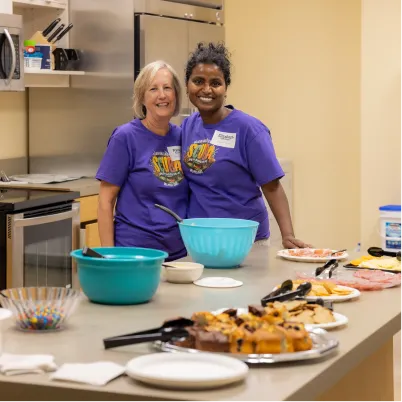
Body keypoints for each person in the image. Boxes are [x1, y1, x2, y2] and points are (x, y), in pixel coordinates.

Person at [181, 42, 310, 249]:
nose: (206, 89)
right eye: (198, 81)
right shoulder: (187, 126)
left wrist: (287, 235)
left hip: (244, 241)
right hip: (200, 239)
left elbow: (272, 186)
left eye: (215, 83)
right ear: (187, 85)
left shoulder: (249, 129)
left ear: (225, 88)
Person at [96, 60, 188, 261]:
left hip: (180, 255)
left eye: (167, 88)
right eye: (153, 89)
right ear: (142, 98)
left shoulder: (183, 137)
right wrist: (110, 257)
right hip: (135, 255)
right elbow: (105, 201)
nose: (162, 95)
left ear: (176, 95)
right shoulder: (125, 137)